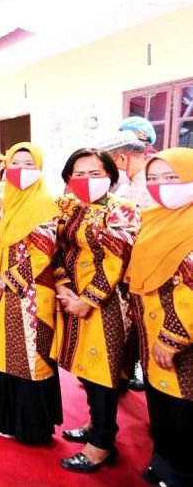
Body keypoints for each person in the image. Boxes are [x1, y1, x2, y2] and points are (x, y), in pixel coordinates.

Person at [53, 148, 140, 473]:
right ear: (68, 178)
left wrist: (87, 300)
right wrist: (62, 285)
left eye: (95, 173)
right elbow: (57, 249)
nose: (86, 179)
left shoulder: (122, 210)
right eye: (79, 173)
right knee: (83, 368)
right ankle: (95, 425)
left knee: (103, 372)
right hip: (70, 299)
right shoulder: (68, 207)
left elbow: (117, 260)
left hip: (106, 304)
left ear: (110, 176)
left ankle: (102, 445)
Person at [0, 143, 62, 445]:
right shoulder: (10, 201)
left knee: (31, 359)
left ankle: (31, 428)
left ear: (40, 169)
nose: (21, 170)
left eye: (29, 164)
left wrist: (1, 283)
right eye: (15, 163)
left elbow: (40, 256)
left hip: (32, 295)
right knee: (9, 356)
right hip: (9, 295)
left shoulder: (43, 204)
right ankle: (9, 419)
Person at [127, 147, 193, 487]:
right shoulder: (153, 218)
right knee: (161, 406)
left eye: (171, 177)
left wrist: (172, 338)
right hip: (149, 330)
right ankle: (165, 463)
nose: (161, 186)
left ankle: (181, 474)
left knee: (182, 409)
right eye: (153, 179)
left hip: (180, 341)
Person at [98, 130, 154, 393]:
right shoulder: (129, 186)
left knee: (141, 331)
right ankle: (124, 375)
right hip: (130, 273)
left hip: (144, 273)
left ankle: (134, 374)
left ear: (120, 159)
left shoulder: (146, 188)